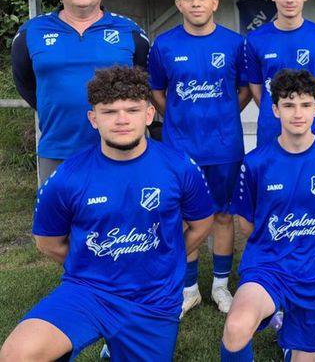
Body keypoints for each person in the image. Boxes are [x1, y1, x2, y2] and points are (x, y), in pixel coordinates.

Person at [0, 66, 214, 361]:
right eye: (110, 111)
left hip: (153, 298)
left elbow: (201, 224)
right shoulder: (68, 177)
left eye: (132, 110)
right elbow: (47, 242)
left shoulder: (180, 167)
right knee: (17, 354)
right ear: (93, 118)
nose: (122, 119)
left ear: (149, 114)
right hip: (88, 291)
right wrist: (93, 263)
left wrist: (166, 259)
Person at [221, 69, 315, 362]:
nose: (298, 113)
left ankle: (287, 328)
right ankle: (273, 310)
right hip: (268, 265)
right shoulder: (255, 163)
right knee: (236, 327)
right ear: (275, 109)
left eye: (305, 105)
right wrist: (277, 242)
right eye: (289, 105)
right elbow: (246, 224)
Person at [147, 0, 251, 316]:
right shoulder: (163, 45)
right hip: (180, 149)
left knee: (222, 215)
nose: (195, 4)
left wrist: (222, 115)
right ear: (179, 4)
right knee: (183, 217)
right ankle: (189, 289)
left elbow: (243, 91)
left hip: (224, 148)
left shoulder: (234, 44)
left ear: (214, 2)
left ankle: (221, 286)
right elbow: (157, 92)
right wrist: (178, 116)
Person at [11, 0, 150, 184]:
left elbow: (144, 83)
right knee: (60, 208)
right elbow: (25, 84)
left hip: (122, 149)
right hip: (59, 149)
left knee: (126, 206)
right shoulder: (31, 32)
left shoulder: (130, 31)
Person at [245, 0, 315, 147]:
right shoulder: (255, 39)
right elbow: (257, 91)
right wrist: (277, 113)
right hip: (272, 132)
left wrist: (312, 115)